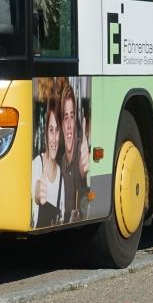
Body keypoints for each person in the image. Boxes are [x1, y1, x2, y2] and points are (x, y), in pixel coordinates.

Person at [59, 82, 90, 222]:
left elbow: (84, 172)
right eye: (66, 118)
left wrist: (86, 170)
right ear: (61, 125)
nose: (70, 125)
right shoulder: (59, 163)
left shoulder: (81, 152)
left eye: (72, 116)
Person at [31, 96, 64, 228]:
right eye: (51, 130)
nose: (54, 139)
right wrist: (37, 194)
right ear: (45, 134)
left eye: (57, 130)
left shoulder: (61, 177)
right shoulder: (36, 165)